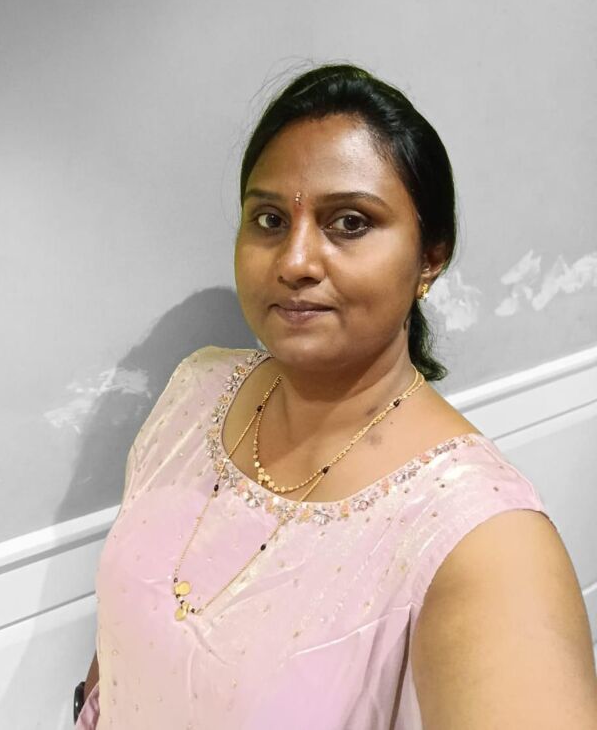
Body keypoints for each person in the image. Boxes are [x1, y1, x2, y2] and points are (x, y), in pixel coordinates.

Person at [75, 64, 597, 729]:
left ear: (431, 256)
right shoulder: (196, 391)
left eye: (349, 222)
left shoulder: (486, 543)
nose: (294, 260)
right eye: (269, 219)